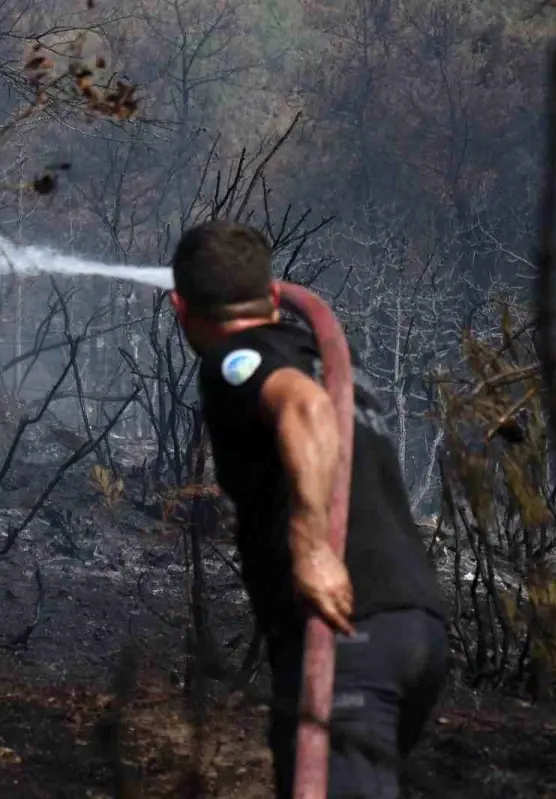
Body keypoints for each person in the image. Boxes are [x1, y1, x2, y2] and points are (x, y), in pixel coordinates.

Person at [170, 220, 448, 798]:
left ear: (180, 306)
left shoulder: (236, 359)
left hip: (347, 631)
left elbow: (306, 412)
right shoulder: (316, 357)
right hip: (413, 628)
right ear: (272, 297)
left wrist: (312, 545)